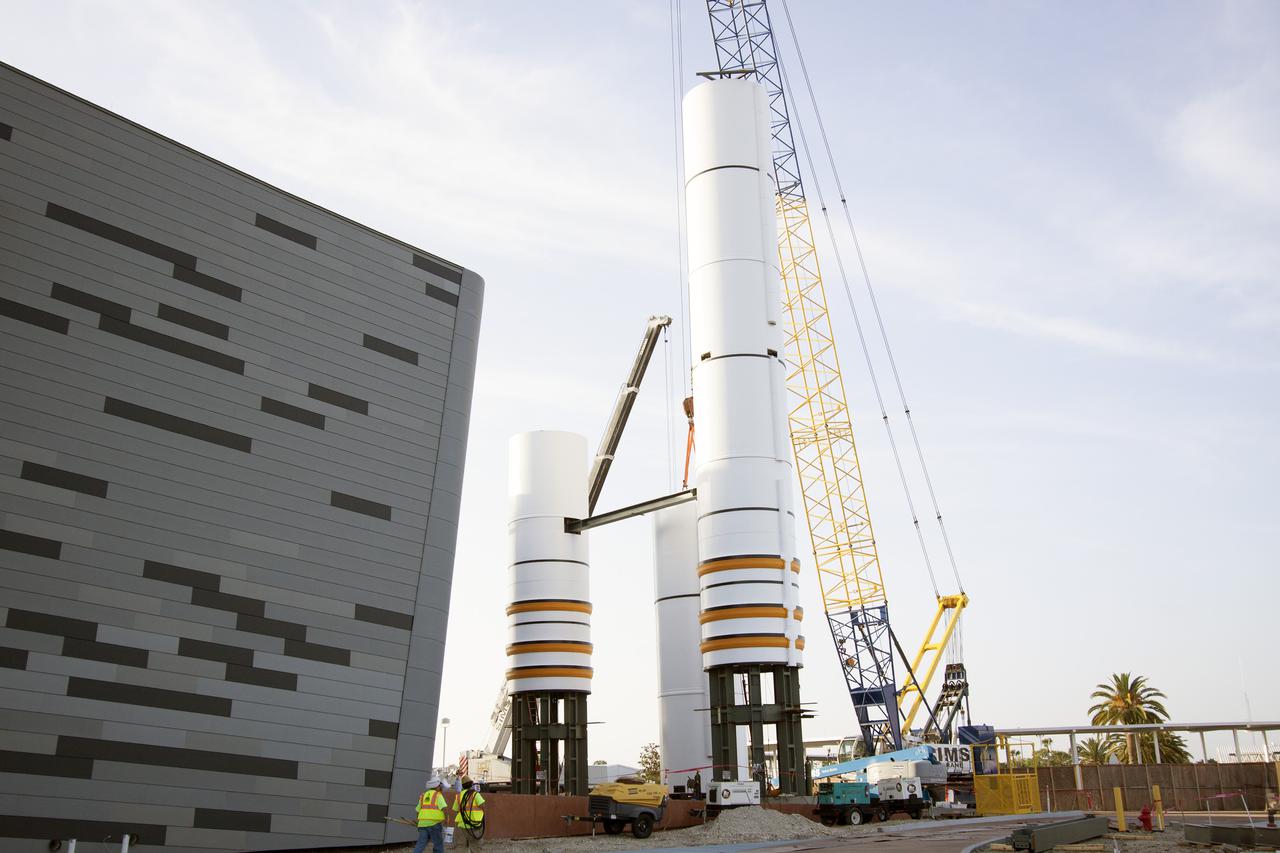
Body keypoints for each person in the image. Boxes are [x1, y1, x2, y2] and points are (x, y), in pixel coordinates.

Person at [412, 777, 448, 853]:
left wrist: (419, 822)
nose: (441, 787)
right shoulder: (438, 795)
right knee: (438, 844)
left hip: (423, 824)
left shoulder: (423, 795)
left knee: (421, 844)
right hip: (434, 824)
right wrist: (447, 819)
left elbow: (418, 811)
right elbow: (444, 809)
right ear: (437, 786)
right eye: (440, 786)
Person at [450, 775, 486, 849]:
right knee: (476, 846)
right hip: (474, 824)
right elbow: (483, 805)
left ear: (462, 786)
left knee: (462, 846)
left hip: (462, 824)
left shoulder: (458, 796)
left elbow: (456, 810)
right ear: (471, 784)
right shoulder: (475, 794)